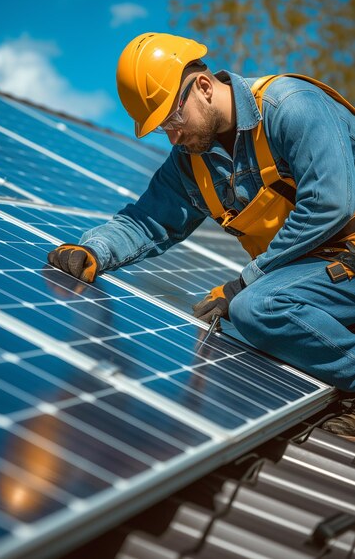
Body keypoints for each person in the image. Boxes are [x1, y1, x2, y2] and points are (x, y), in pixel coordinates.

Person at [48, 32, 355, 433]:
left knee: (254, 307)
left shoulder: (291, 107)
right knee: (222, 326)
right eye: (162, 128)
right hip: (313, 275)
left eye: (173, 119)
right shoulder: (191, 162)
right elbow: (147, 220)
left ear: (205, 87)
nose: (173, 136)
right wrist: (93, 251)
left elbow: (330, 205)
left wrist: (245, 282)